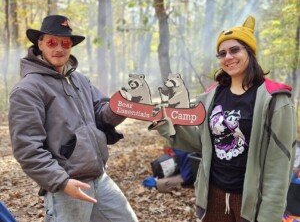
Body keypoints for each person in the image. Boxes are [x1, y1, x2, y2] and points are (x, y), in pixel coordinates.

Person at [149, 15, 297, 222]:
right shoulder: (210, 96)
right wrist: (165, 124)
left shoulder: (275, 100)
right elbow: (201, 142)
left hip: (251, 201)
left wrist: (269, 216)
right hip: (213, 195)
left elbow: (279, 166)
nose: (228, 57)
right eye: (222, 53)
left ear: (250, 52)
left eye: (235, 50)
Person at [8, 15, 138, 222]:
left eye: (65, 42)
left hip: (99, 178)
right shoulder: (27, 89)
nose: (59, 48)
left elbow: (101, 115)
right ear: (40, 43)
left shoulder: (79, 79)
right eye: (51, 42)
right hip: (66, 185)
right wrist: (62, 182)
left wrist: (122, 104)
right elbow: (27, 148)